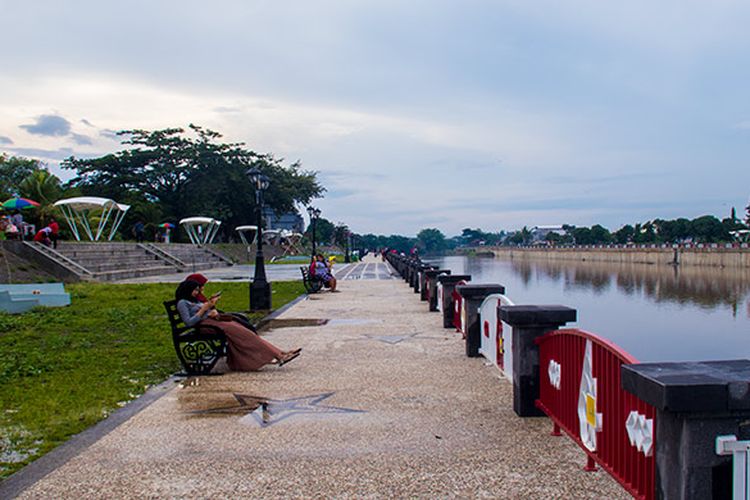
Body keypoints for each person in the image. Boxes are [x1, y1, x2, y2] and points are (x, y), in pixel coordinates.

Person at [175, 280, 301, 371]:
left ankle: (280, 353)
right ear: (187, 290)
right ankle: (279, 355)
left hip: (215, 323)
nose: (197, 292)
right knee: (246, 335)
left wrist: (211, 306)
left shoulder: (193, 301)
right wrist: (204, 310)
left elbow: (202, 312)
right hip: (207, 327)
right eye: (195, 290)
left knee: (247, 333)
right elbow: (189, 322)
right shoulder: (182, 303)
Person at [184, 273, 255, 330]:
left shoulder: (198, 296)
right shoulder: (193, 298)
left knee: (240, 318)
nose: (203, 288)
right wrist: (210, 305)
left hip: (212, 316)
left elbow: (207, 307)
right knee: (238, 320)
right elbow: (203, 310)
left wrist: (212, 302)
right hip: (209, 320)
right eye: (201, 285)